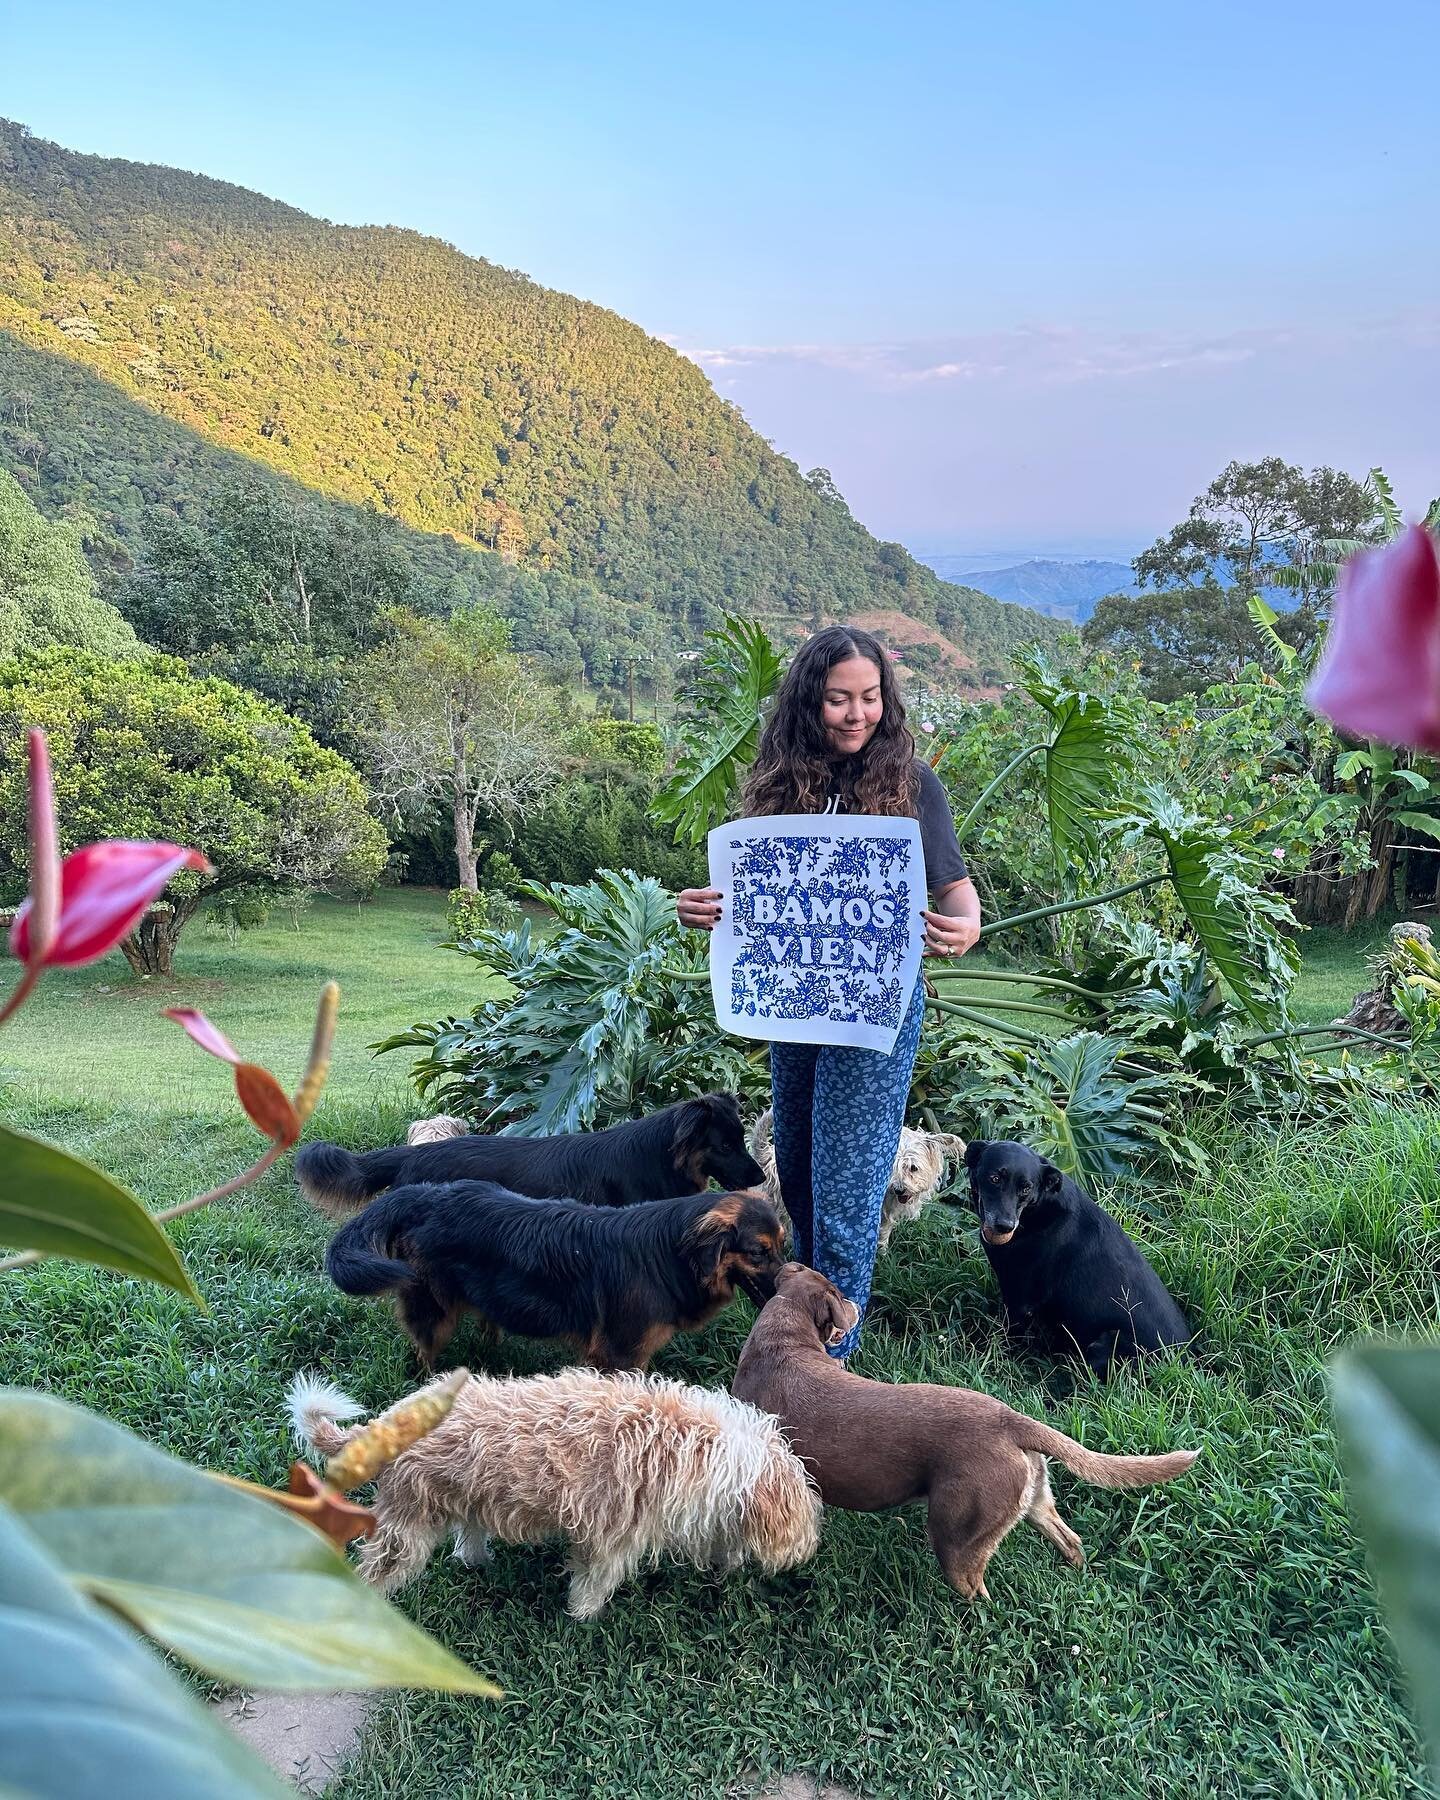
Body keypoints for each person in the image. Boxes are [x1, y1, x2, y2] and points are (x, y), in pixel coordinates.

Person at [678, 626, 980, 1358]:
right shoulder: (782, 782)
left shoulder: (912, 784)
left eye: (871, 698)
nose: (856, 714)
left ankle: (825, 1363)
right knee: (804, 1168)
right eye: (839, 699)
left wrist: (964, 925)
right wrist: (705, 908)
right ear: (808, 704)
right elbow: (749, 893)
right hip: (798, 1006)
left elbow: (957, 889)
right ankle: (805, 1320)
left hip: (875, 1009)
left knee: (847, 1186)